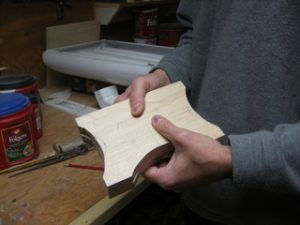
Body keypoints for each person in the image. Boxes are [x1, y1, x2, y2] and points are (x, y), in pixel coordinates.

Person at [116, 1, 300, 224]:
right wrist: (165, 76)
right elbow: (198, 36)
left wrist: (232, 159)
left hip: (280, 211)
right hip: (198, 196)